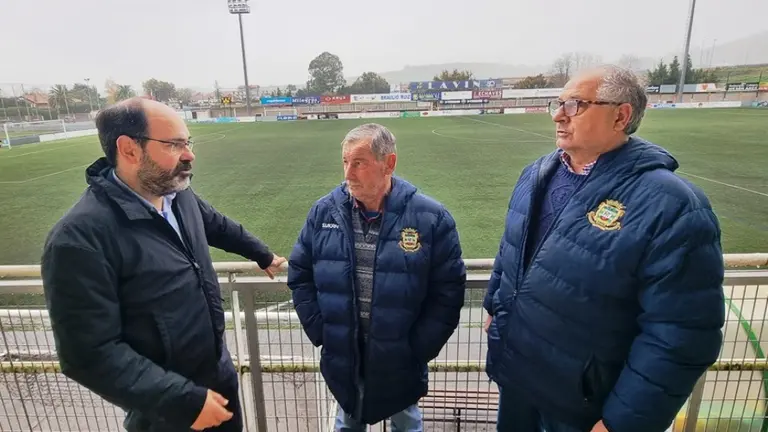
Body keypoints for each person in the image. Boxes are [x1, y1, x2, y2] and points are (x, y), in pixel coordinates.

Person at [484, 65, 725, 432]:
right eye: (558, 103)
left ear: (621, 116)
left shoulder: (672, 205)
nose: (558, 115)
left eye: (575, 105)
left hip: (584, 407)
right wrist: (494, 306)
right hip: (518, 382)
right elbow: (511, 248)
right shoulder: (535, 173)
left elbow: (682, 333)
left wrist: (623, 422)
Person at [40, 97, 286, 432]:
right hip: (167, 413)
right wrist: (183, 401)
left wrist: (262, 254)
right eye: (174, 144)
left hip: (218, 381)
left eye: (188, 143)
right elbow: (88, 354)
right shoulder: (79, 239)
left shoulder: (177, 194)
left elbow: (215, 224)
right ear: (129, 149)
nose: (189, 155)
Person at [287, 123, 467, 431]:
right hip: (345, 356)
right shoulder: (323, 213)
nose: (348, 173)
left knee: (406, 423)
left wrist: (418, 348)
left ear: (389, 163)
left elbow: (448, 292)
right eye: (345, 162)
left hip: (401, 360)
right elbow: (300, 274)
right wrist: (323, 331)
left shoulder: (431, 218)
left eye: (359, 163)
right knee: (347, 422)